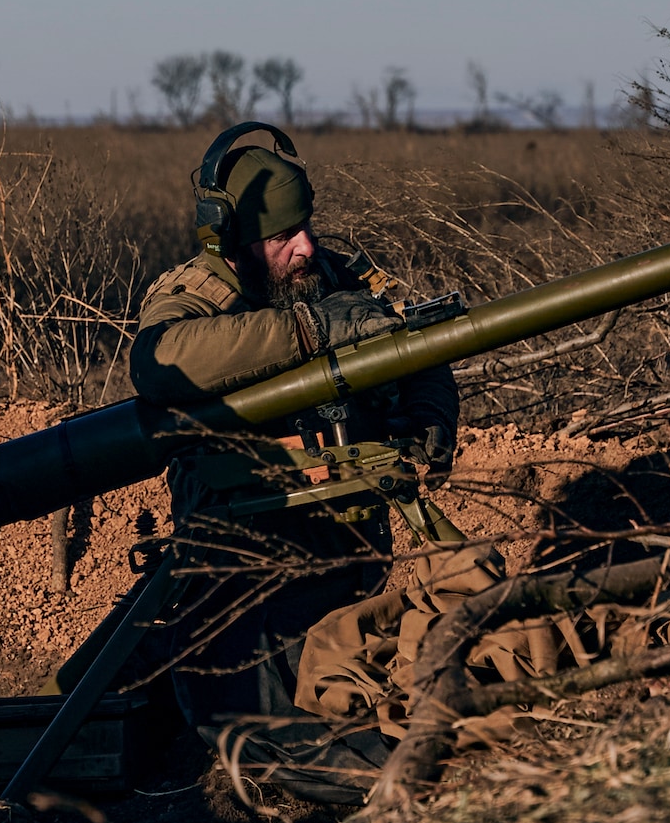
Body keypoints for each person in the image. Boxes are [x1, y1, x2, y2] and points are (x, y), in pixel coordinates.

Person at [124, 123, 460, 759]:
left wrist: (428, 418)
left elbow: (423, 351)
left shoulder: (337, 275)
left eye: (306, 226)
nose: (305, 248)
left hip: (352, 562)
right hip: (250, 578)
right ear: (227, 237)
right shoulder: (198, 294)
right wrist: (308, 331)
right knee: (279, 742)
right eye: (281, 237)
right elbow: (159, 360)